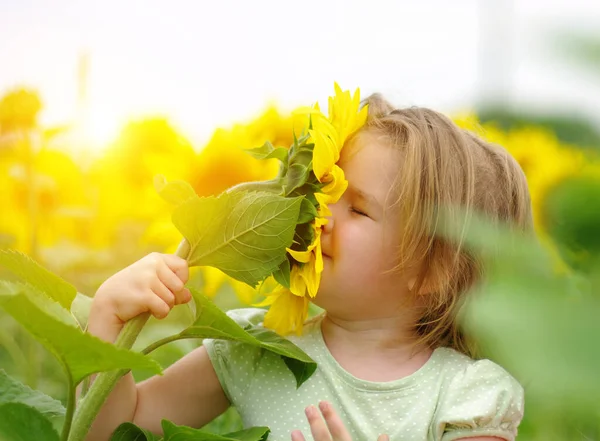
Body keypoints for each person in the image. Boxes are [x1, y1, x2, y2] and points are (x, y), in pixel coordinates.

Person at [85, 94, 532, 441]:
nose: (319, 213)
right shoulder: (261, 346)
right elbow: (120, 431)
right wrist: (107, 320)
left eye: (357, 209)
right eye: (325, 190)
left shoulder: (465, 394)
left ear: (433, 270)